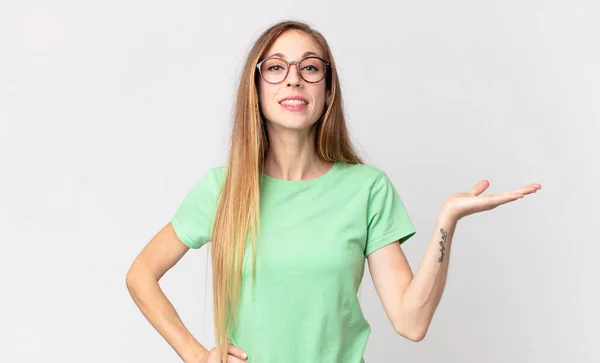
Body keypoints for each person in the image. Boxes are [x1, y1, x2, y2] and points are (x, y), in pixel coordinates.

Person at [125, 20, 541, 363]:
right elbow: (141, 275)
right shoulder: (224, 189)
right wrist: (196, 355)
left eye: (310, 68)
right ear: (256, 89)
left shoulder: (366, 189)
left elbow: (411, 323)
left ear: (327, 91)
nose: (293, 79)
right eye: (275, 68)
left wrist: (446, 222)